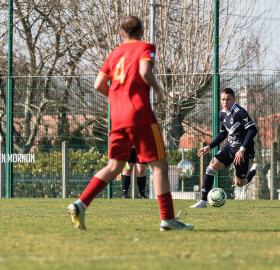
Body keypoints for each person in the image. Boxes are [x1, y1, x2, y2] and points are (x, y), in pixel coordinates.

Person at [68, 16, 194, 231]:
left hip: (117, 117)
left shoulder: (114, 53)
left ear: (121, 33)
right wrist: (158, 89)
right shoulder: (145, 47)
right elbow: (145, 72)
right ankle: (168, 220)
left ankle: (80, 204)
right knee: (159, 166)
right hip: (140, 115)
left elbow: (99, 84)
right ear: (142, 31)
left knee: (114, 166)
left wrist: (117, 99)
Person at [190, 88, 259, 208]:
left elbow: (253, 130)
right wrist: (209, 146)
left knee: (239, 184)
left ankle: (252, 171)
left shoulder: (240, 112)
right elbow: (223, 133)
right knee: (210, 170)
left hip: (244, 152)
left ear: (234, 100)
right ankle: (203, 201)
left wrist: (241, 150)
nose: (225, 102)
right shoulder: (222, 114)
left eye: (228, 99)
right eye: (223, 99)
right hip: (229, 148)